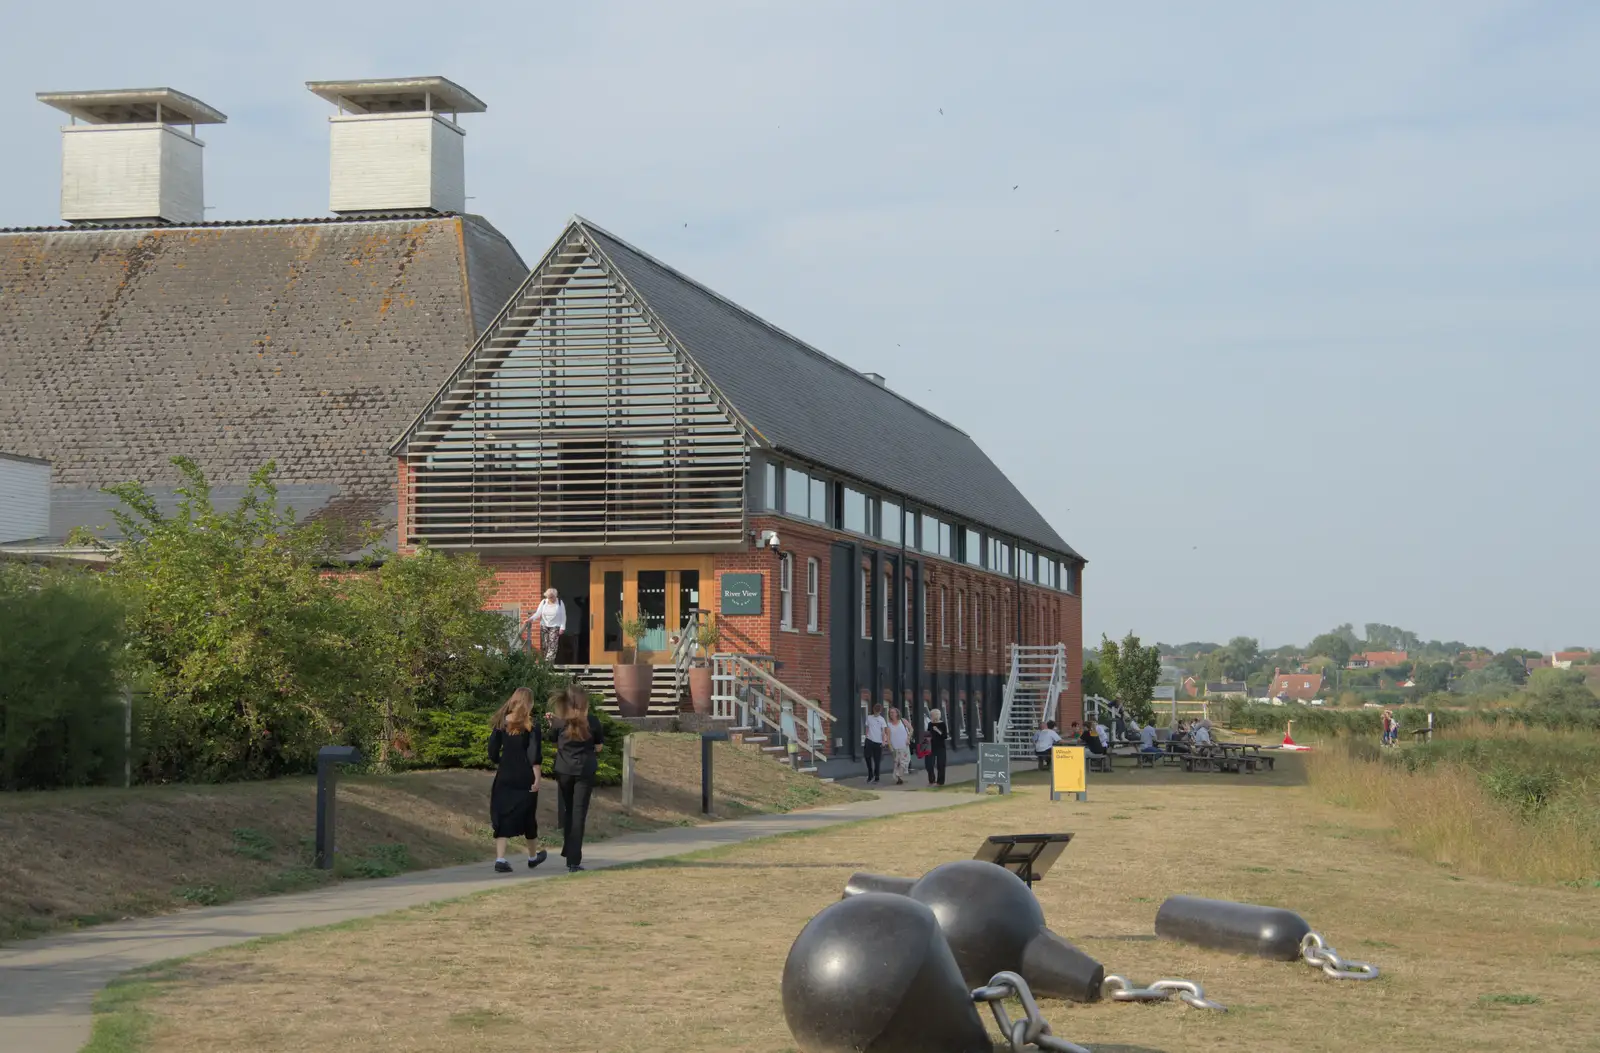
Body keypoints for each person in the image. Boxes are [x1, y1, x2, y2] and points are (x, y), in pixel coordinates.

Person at [486, 687, 548, 873]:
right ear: (529, 703)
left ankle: (500, 858)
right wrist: (537, 777)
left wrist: (501, 761)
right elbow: (534, 754)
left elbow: (492, 751)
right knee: (528, 815)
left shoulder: (501, 723)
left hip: (505, 774)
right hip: (524, 776)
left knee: (503, 814)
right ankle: (532, 856)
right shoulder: (531, 725)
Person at [548, 684, 605, 872]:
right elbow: (599, 747)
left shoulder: (559, 722)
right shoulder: (593, 721)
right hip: (584, 771)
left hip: (564, 770)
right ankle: (573, 859)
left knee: (568, 811)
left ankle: (568, 848)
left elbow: (554, 741)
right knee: (578, 813)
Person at [530, 589, 566, 662]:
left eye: (552, 597)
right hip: (544, 625)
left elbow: (563, 616)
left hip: (555, 626)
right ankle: (548, 664)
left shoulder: (559, 602)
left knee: (552, 645)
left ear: (555, 596)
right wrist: (531, 619)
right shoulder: (543, 602)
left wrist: (562, 627)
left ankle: (547, 662)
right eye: (549, 597)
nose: (551, 599)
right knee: (545, 645)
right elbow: (538, 613)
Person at [887, 707, 913, 785]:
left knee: (905, 762)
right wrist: (890, 747)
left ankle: (899, 775)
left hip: (904, 745)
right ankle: (899, 778)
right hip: (895, 746)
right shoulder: (888, 724)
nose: (891, 714)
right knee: (897, 763)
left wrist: (908, 738)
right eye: (890, 713)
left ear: (897, 713)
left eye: (893, 712)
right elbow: (888, 737)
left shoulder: (903, 721)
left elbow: (911, 729)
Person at [862, 703, 887, 783]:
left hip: (878, 741)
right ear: (873, 710)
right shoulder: (869, 718)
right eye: (875, 711)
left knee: (877, 760)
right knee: (867, 757)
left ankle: (877, 776)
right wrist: (866, 736)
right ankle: (870, 773)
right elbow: (867, 728)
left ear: (880, 711)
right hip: (869, 740)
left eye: (878, 711)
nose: (876, 713)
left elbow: (883, 732)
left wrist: (883, 741)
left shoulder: (881, 719)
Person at [924, 708, 949, 786]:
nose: (931, 716)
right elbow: (928, 733)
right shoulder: (930, 724)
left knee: (941, 764)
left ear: (937, 716)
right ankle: (931, 780)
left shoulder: (942, 724)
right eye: (931, 715)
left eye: (933, 715)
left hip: (940, 747)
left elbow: (945, 736)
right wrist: (927, 738)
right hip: (931, 747)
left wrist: (937, 730)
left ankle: (940, 782)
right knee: (929, 765)